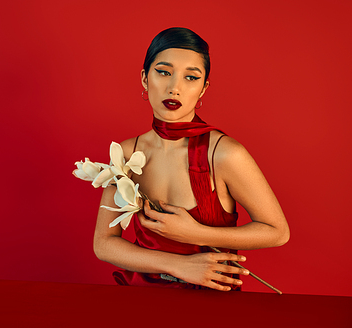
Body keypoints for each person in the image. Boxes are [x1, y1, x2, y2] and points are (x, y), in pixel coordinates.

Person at [93, 27, 289, 291]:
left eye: (191, 77)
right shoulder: (126, 153)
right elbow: (104, 243)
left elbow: (277, 232)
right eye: (163, 72)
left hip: (210, 307)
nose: (174, 88)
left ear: (203, 88)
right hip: (140, 300)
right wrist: (177, 265)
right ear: (144, 78)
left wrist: (195, 234)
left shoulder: (224, 154)